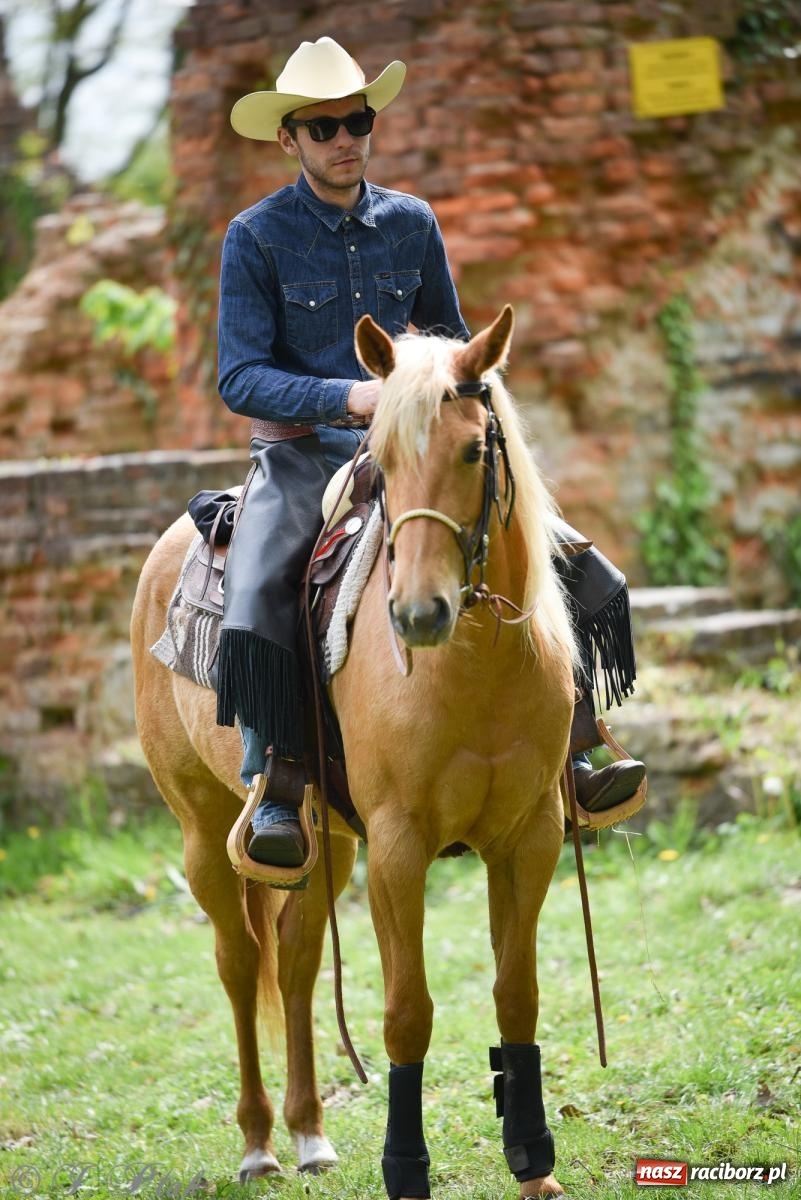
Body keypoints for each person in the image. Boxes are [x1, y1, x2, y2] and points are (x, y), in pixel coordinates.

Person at [214, 37, 645, 882]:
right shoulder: (254, 237)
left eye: (358, 120)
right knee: (261, 588)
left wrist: (441, 393)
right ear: (288, 140)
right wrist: (349, 399)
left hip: (423, 448)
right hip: (309, 454)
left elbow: (452, 341)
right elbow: (239, 374)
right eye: (324, 126)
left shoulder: (412, 222)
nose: (346, 138)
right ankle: (279, 783)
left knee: (575, 565)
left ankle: (579, 744)